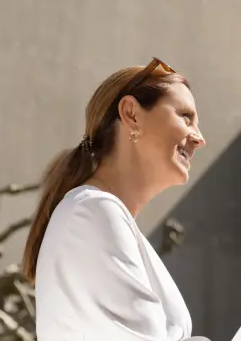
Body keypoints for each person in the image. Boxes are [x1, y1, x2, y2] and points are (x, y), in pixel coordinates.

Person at [23, 58, 207, 341]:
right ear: (132, 114)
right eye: (186, 117)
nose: (199, 138)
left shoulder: (99, 215)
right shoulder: (93, 212)